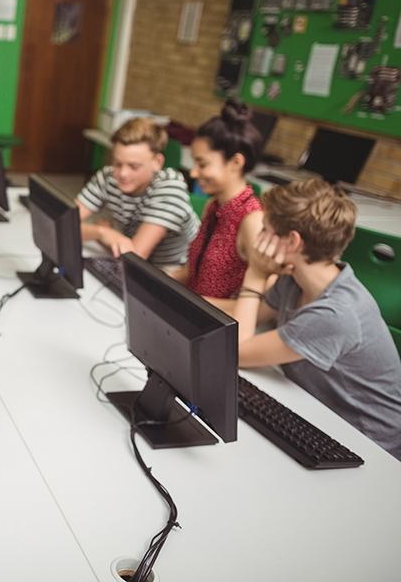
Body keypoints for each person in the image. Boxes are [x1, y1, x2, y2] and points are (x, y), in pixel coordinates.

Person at [223, 179, 401, 460]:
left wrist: (256, 273)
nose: (258, 241)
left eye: (266, 232)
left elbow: (237, 350)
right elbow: (246, 314)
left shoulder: (335, 313)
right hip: (315, 417)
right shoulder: (297, 280)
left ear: (292, 241)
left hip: (369, 447)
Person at [169, 100, 264, 298]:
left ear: (236, 162)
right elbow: (197, 273)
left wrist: (199, 305)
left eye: (202, 164)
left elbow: (260, 304)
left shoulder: (252, 220)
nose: (194, 173)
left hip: (216, 322)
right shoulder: (214, 206)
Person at [77, 117, 199, 265]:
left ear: (157, 163)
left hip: (172, 273)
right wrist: (101, 232)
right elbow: (64, 222)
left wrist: (106, 236)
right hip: (132, 264)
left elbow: (135, 257)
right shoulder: (108, 176)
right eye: (117, 163)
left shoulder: (170, 188)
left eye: (134, 166)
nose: (122, 174)